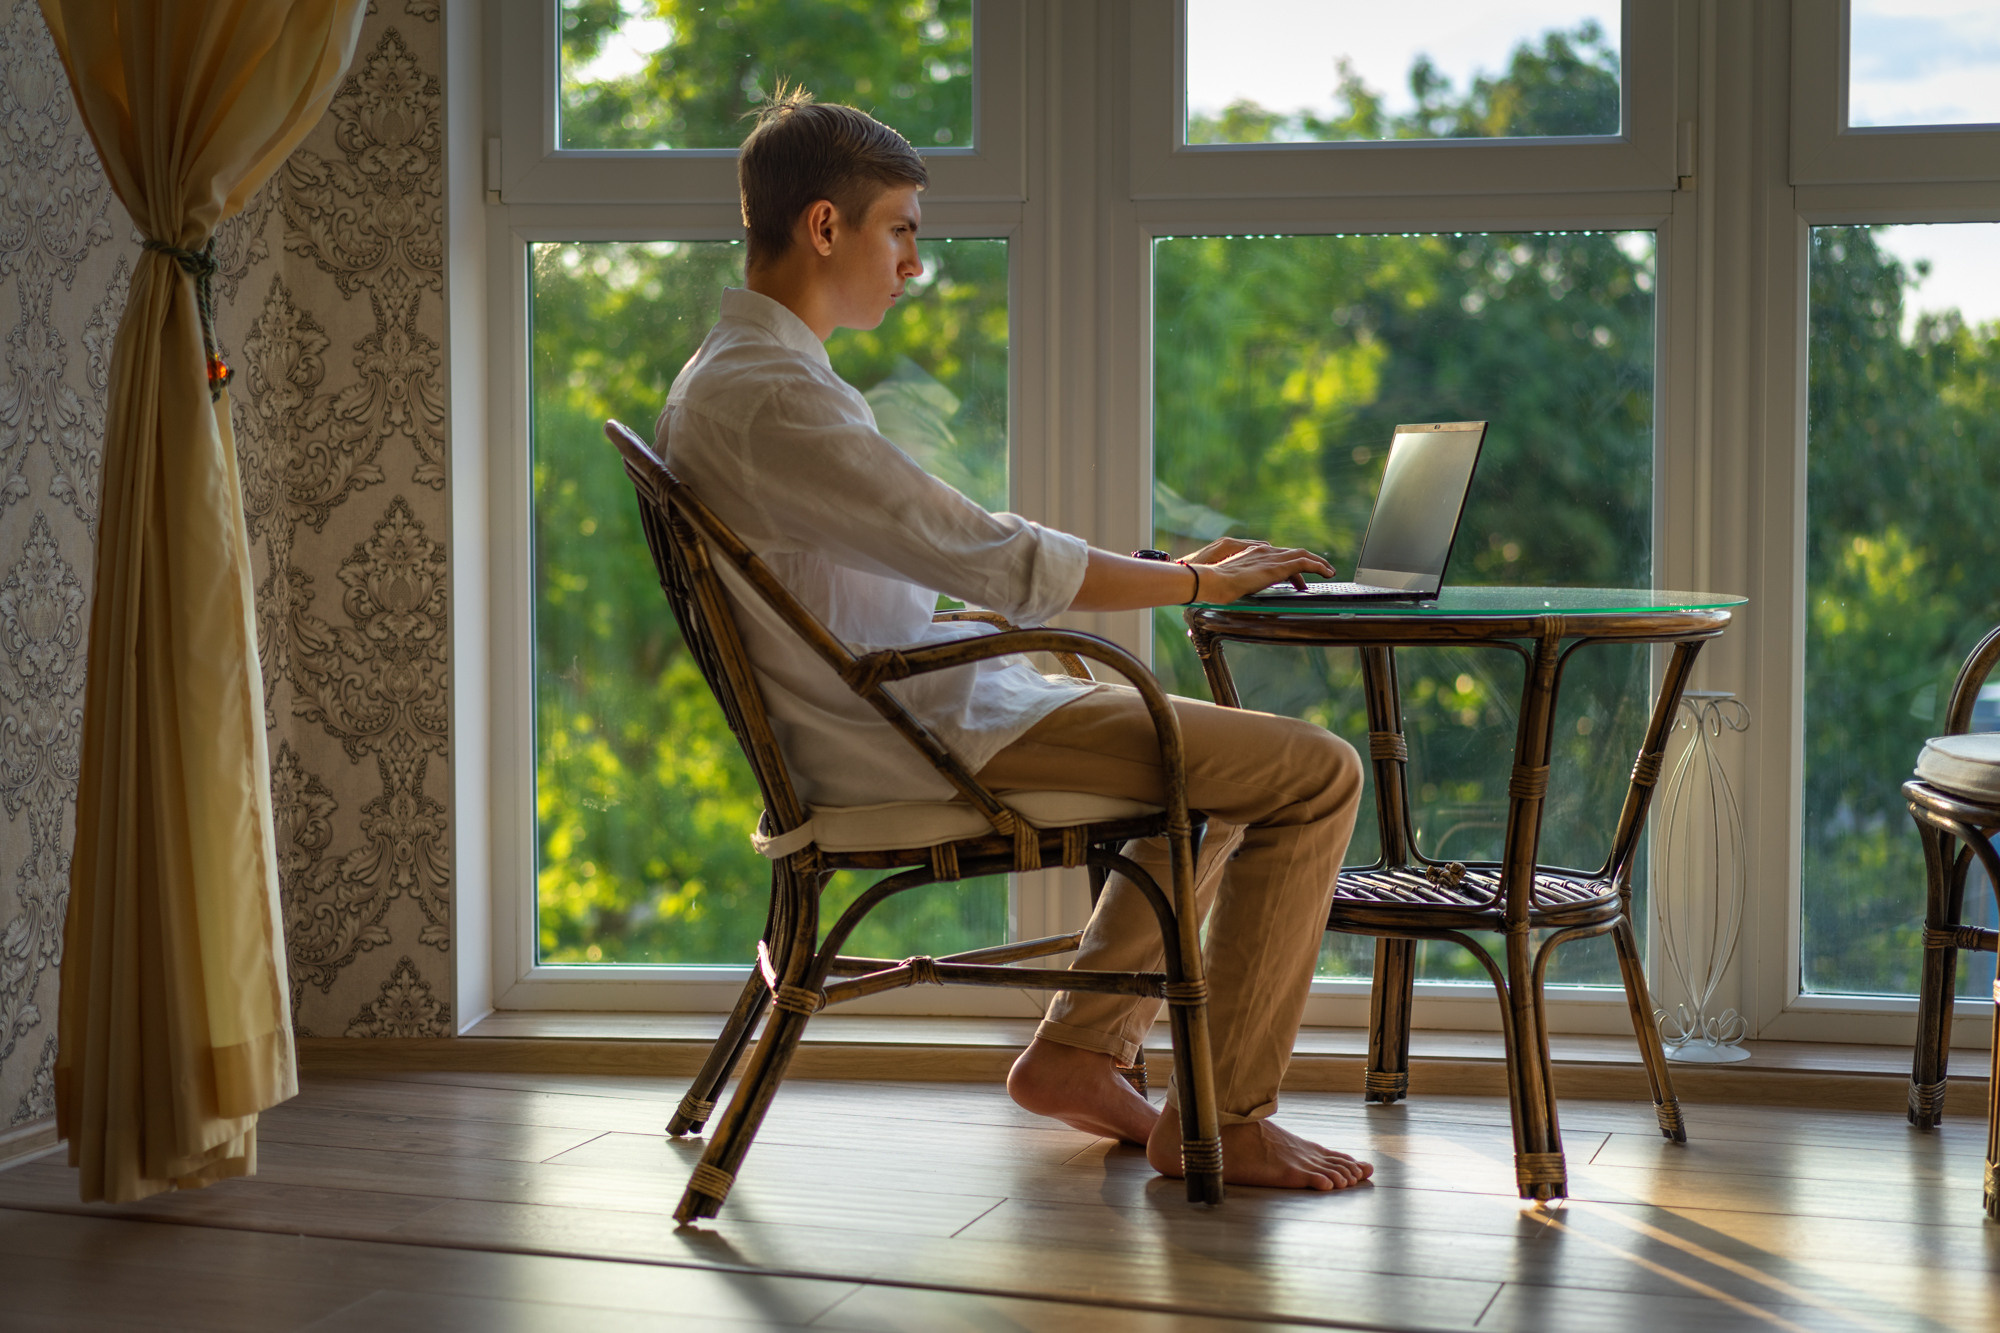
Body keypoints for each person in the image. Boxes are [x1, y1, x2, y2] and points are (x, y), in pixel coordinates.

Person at [660, 88, 1371, 1192]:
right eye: (900, 228)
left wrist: (1019, 613)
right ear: (823, 227)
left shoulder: (744, 378)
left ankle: (1079, 1057)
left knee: (1232, 767)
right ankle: (1221, 1114)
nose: (912, 262)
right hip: (914, 737)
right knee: (1314, 771)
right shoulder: (775, 399)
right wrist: (1189, 578)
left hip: (909, 705)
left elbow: (888, 576)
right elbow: (988, 550)